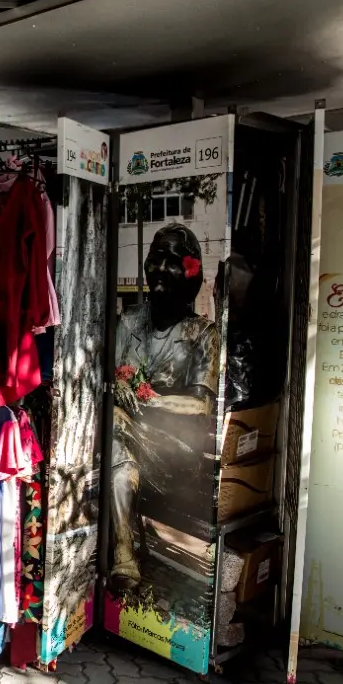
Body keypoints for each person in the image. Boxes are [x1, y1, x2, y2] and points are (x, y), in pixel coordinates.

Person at [109, 223, 220, 591]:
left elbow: (201, 407)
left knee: (116, 426)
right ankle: (121, 547)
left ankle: (124, 550)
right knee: (114, 425)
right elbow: (109, 377)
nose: (159, 268)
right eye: (155, 259)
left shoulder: (202, 333)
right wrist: (118, 386)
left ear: (190, 272)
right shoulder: (130, 321)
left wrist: (150, 399)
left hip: (175, 453)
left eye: (172, 261)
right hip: (126, 439)